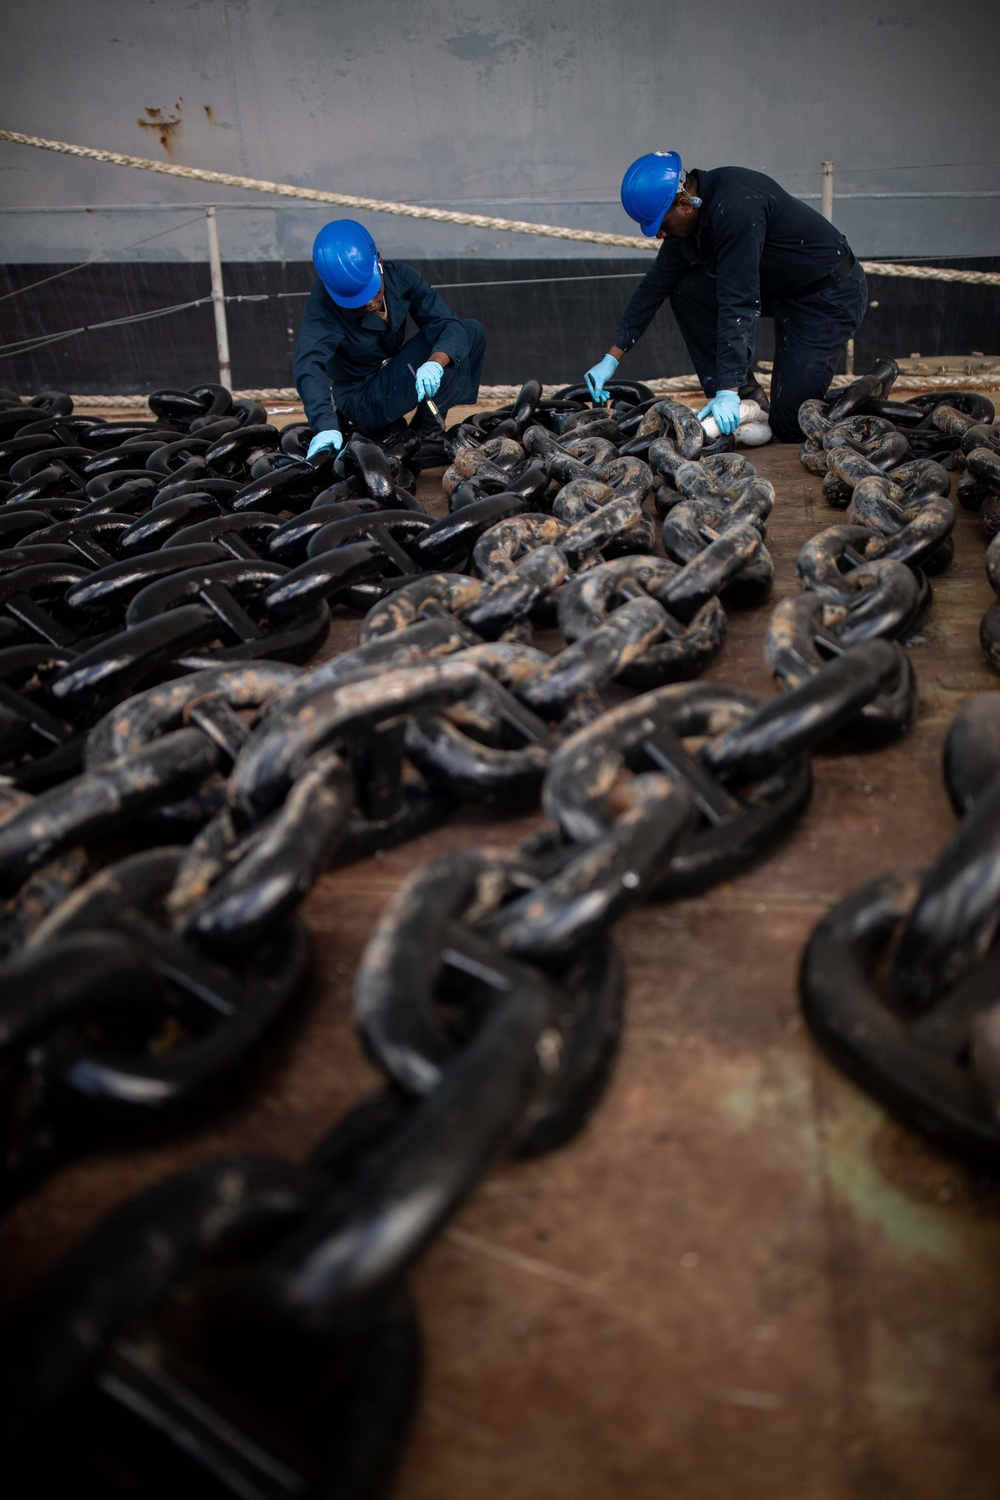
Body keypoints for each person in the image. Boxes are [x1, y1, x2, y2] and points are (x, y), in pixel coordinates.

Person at [584, 152, 868, 443]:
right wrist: (611, 358)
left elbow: (739, 302)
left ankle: (866, 390)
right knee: (685, 288)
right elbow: (654, 286)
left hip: (826, 298)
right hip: (783, 291)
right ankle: (745, 396)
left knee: (793, 426)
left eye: (661, 226)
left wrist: (725, 390)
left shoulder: (737, 207)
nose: (659, 235)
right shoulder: (690, 219)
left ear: (684, 205)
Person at [294, 219, 486, 464]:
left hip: (390, 374)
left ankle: (428, 433)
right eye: (356, 299)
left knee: (470, 332)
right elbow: (308, 364)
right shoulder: (323, 304)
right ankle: (419, 437)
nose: (369, 303)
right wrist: (324, 426)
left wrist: (437, 363)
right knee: (459, 336)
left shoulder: (402, 278)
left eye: (372, 291)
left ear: (379, 264)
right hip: (361, 396)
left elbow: (447, 324)